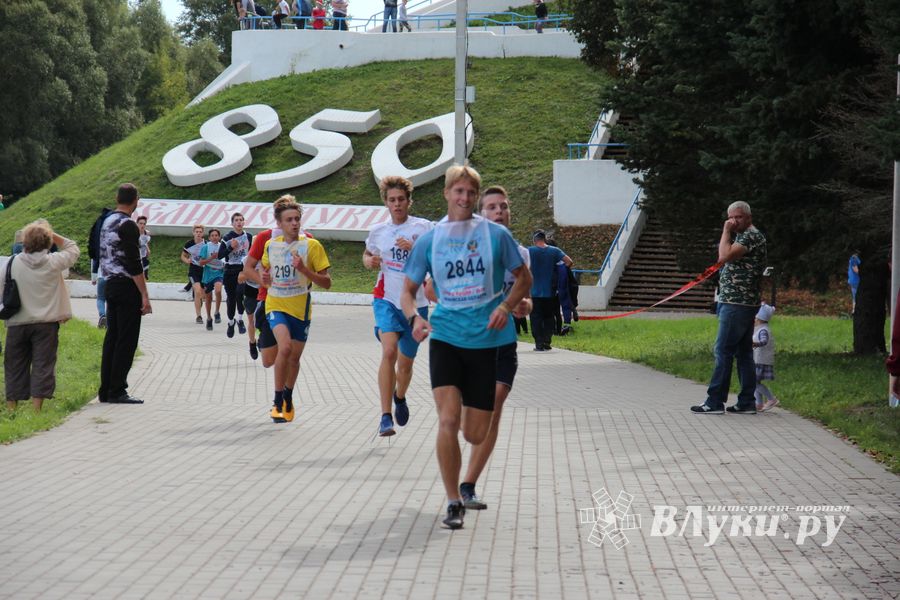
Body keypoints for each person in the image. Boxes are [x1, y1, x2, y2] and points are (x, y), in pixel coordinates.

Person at [401, 166, 532, 530]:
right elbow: (408, 292)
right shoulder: (431, 239)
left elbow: (524, 279)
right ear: (446, 193)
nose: (463, 198)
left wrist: (506, 306)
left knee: (474, 433)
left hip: (486, 342)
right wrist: (415, 318)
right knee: (447, 420)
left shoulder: (496, 235)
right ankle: (453, 500)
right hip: (445, 337)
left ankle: (465, 479)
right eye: (457, 191)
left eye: (469, 193)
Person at [459, 185, 532, 510]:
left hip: (503, 342)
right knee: (472, 415)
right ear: (481, 213)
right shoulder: (468, 247)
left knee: (496, 404)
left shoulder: (521, 253)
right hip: (469, 341)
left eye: (503, 206)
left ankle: (469, 484)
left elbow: (525, 298)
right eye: (492, 207)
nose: (499, 211)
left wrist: (523, 306)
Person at [363, 176, 433, 437]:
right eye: (392, 200)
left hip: (416, 304)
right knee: (389, 352)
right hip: (386, 299)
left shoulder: (424, 227)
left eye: (401, 199)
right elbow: (368, 253)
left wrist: (414, 248)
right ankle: (385, 417)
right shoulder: (379, 231)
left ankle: (400, 396)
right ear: (386, 203)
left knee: (405, 364)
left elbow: (437, 256)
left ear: (409, 201)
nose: (397, 204)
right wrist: (368, 261)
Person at [259, 195, 331, 423]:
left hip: (301, 309)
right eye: (289, 220)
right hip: (276, 304)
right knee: (286, 347)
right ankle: (277, 401)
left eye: (297, 219)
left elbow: (327, 282)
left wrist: (304, 270)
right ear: (279, 224)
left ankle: (288, 395)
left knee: (294, 358)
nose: (294, 223)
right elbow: (264, 270)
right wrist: (264, 276)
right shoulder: (271, 245)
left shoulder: (312, 246)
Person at [691, 201, 767, 415]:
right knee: (743, 353)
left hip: (737, 303)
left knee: (723, 350)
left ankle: (715, 401)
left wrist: (725, 230)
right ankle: (746, 402)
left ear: (749, 217)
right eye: (731, 218)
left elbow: (723, 257)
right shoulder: (744, 237)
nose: (734, 221)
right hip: (737, 302)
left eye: (739, 217)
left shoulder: (750, 237)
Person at [1, 222, 79, 413]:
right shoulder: (54, 262)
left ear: (24, 242)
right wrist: (54, 234)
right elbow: (73, 248)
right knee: (43, 365)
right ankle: (37, 409)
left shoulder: (11, 263)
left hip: (17, 322)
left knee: (14, 365)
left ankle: (12, 408)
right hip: (47, 324)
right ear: (48, 242)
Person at [98, 183, 152, 405]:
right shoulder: (128, 225)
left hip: (109, 282)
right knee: (126, 340)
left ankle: (106, 389)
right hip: (126, 286)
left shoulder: (107, 221)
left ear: (117, 198)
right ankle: (118, 389)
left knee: (112, 337)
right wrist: (144, 295)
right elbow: (134, 263)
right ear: (136, 201)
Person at [528, 230, 572, 351]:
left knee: (535, 317)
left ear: (534, 240)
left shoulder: (529, 251)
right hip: (550, 291)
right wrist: (558, 272)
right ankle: (547, 342)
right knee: (549, 316)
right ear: (544, 239)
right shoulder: (555, 251)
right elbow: (569, 262)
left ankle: (538, 343)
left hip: (534, 291)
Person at [222, 213, 253, 338]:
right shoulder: (227, 237)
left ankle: (240, 319)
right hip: (230, 270)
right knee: (231, 299)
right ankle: (231, 322)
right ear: (232, 223)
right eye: (236, 220)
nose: (239, 222)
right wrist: (230, 247)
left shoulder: (248, 236)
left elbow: (252, 253)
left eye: (241, 220)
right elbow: (220, 255)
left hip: (243, 269)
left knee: (240, 294)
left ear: (244, 222)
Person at [198, 229, 229, 331]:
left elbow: (226, 260)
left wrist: (225, 266)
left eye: (216, 235)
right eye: (212, 235)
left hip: (219, 273)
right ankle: (209, 318)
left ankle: (217, 312)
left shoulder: (222, 246)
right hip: (208, 273)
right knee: (208, 298)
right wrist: (211, 258)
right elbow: (201, 263)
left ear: (219, 237)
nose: (215, 237)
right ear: (209, 237)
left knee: (218, 290)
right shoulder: (205, 247)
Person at [753, 303, 779, 412]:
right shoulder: (760, 328)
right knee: (755, 383)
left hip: (761, 360)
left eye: (754, 318)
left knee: (753, 382)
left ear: (759, 319)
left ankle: (771, 399)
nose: (753, 320)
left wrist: (755, 344)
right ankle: (758, 404)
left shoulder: (763, 330)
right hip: (758, 359)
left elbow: (764, 341)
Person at [181, 225, 206, 324]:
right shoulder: (189, 244)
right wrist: (187, 261)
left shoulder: (206, 244)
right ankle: (198, 316)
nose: (198, 233)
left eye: (200, 232)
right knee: (198, 291)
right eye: (197, 232)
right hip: (193, 270)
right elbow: (183, 255)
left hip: (204, 271)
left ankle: (197, 299)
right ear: (193, 233)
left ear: (203, 233)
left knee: (202, 295)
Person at [137, 215, 151, 281]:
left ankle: (145, 278)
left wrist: (148, 249)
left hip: (143, 254)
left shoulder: (146, 233)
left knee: (146, 265)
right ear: (137, 223)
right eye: (140, 223)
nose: (142, 225)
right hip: (136, 255)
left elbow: (146, 242)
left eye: (144, 224)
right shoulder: (134, 233)